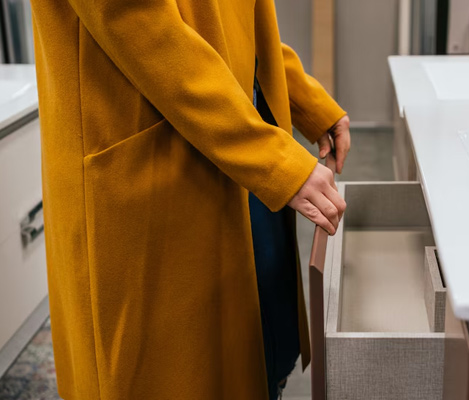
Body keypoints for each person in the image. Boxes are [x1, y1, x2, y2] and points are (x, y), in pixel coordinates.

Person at [30, 0, 350, 399]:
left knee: (257, 362)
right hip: (158, 179)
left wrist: (303, 97)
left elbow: (238, 20)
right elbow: (139, 25)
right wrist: (274, 159)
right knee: (174, 377)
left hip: (240, 156)